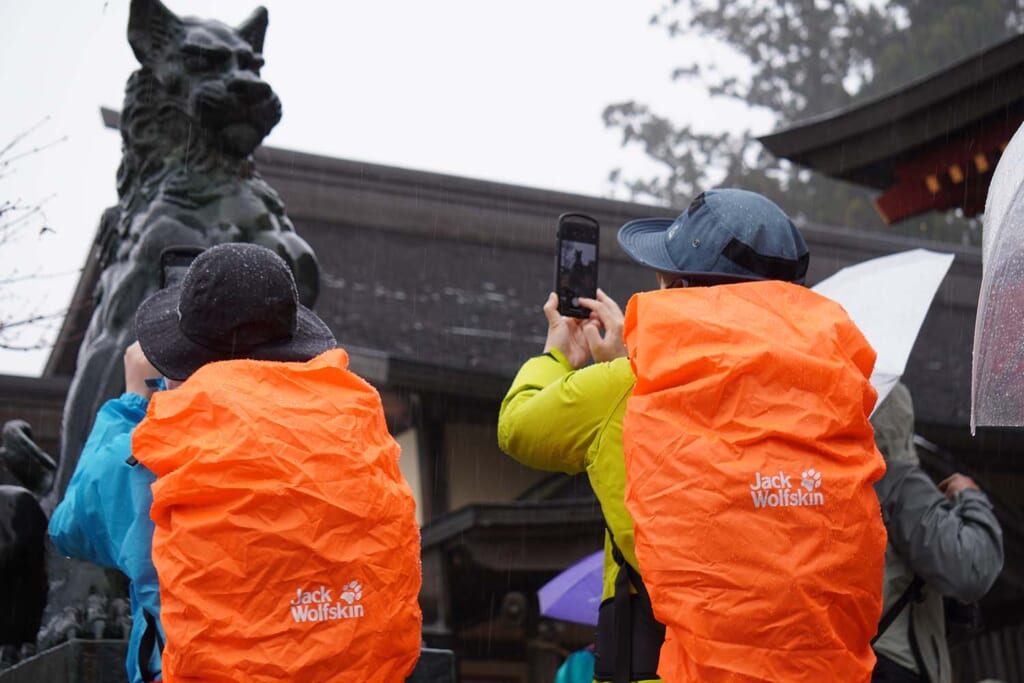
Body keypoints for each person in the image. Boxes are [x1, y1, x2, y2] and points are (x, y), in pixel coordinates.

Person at [498, 188, 886, 682]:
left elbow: (518, 426)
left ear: (678, 284)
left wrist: (559, 355)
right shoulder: (834, 390)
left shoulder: (633, 385)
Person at [50, 243, 422, 683]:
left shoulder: (158, 447)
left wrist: (134, 401)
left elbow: (70, 525)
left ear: (180, 355)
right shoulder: (354, 423)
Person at [870, 382, 1004, 683]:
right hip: (893, 662)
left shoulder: (810, 484)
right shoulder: (896, 481)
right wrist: (970, 498)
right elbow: (971, 568)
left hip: (836, 662)